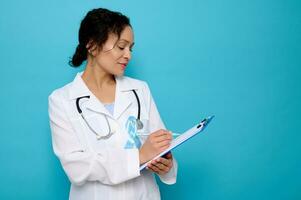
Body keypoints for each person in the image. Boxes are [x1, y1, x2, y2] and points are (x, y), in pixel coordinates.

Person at [48, 8, 177, 200]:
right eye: (121, 46)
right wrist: (138, 157)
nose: (128, 55)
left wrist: (167, 165)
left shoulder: (140, 89)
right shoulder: (61, 100)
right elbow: (77, 168)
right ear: (92, 46)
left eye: (130, 48)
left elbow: (159, 143)